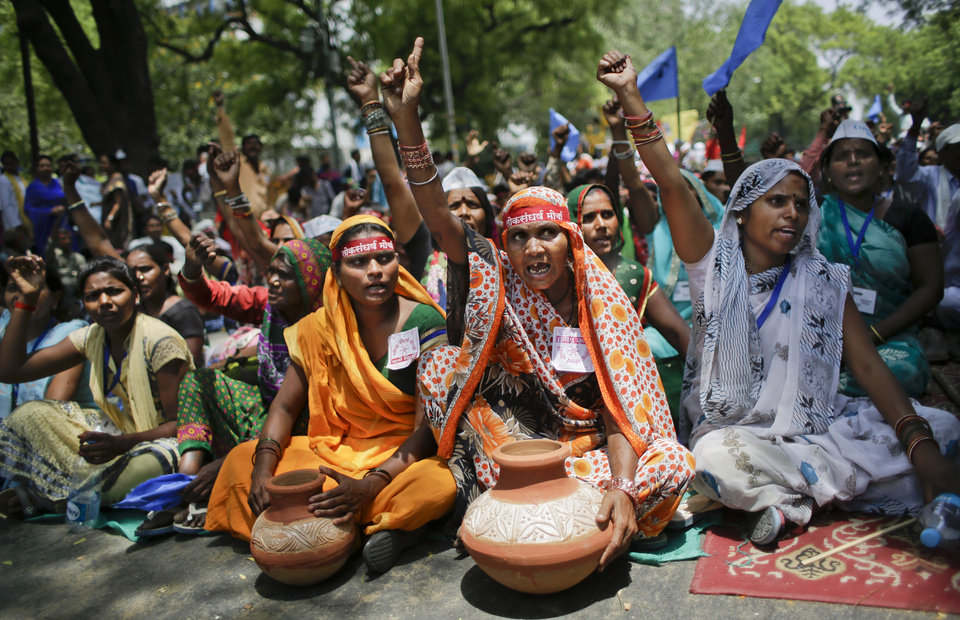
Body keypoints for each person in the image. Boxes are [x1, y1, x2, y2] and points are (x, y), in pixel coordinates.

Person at [594, 50, 960, 547]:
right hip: (735, 431)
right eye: (776, 201)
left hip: (814, 426)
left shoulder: (824, 280)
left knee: (942, 429)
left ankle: (791, 500)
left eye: (800, 204)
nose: (792, 213)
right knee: (713, 463)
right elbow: (673, 185)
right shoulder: (712, 267)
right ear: (742, 212)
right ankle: (820, 488)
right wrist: (631, 96)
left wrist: (918, 444)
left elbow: (869, 367)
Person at [383, 38, 694, 571]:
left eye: (548, 233)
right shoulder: (497, 277)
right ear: (503, 246)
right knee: (439, 367)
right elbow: (437, 216)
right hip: (515, 449)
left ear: (570, 242)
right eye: (519, 236)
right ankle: (565, 521)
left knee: (670, 463)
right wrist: (406, 120)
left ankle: (571, 518)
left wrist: (620, 484)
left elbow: (621, 414)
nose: (533, 248)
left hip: (589, 450)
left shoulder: (602, 303)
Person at [205, 215, 455, 573]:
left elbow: (428, 428)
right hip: (334, 451)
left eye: (385, 258)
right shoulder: (317, 328)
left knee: (439, 483)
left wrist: (370, 485)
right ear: (335, 272)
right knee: (239, 463)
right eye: (358, 262)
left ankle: (348, 529)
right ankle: (369, 529)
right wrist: (262, 469)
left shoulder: (425, 322)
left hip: (399, 461)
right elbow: (284, 407)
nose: (375, 271)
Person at [159, 229, 330, 534]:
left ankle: (226, 472)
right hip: (271, 408)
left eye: (285, 275)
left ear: (310, 282)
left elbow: (302, 407)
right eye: (271, 273)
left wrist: (226, 461)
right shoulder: (268, 304)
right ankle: (185, 483)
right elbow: (211, 296)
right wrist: (193, 264)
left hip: (311, 423)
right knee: (198, 381)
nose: (273, 281)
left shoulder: (329, 323)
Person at [0, 255, 193, 516]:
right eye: (93, 296)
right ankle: (87, 488)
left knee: (154, 461)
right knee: (30, 413)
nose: (105, 302)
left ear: (135, 296)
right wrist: (27, 300)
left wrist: (122, 444)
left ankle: (56, 498)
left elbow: (182, 424)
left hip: (166, 443)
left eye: (114, 292)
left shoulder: (161, 342)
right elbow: (11, 371)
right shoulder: (91, 336)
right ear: (84, 304)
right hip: (121, 436)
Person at [817, 120, 941, 397]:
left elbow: (931, 288)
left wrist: (872, 336)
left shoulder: (908, 216)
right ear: (826, 170)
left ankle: (830, 389)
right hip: (821, 337)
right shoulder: (813, 214)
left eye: (862, 154)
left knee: (901, 373)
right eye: (841, 157)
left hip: (889, 337)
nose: (853, 162)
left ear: (882, 165)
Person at [896, 106, 960, 337]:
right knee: (944, 302)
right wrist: (914, 129)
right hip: (936, 270)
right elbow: (905, 171)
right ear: (941, 154)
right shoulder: (930, 176)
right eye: (955, 149)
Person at [0, 265, 93, 419]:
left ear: (55, 297)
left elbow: (50, 414)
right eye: (12, 288)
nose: (21, 294)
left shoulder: (71, 334)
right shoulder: (3, 325)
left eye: (33, 288)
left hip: (50, 430)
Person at [126, 244, 205, 367]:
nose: (138, 277)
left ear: (166, 269)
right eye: (132, 271)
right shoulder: (134, 311)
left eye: (146, 269)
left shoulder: (183, 310)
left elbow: (191, 362)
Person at [23, 155, 65, 255]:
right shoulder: (32, 187)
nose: (45, 168)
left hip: (61, 223)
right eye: (42, 166)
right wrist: (48, 212)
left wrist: (63, 208)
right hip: (43, 227)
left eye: (48, 165)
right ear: (37, 168)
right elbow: (28, 209)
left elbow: (67, 201)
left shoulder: (59, 183)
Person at [99, 151, 134, 250]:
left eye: (104, 163)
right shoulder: (108, 180)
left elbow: (118, 202)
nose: (101, 165)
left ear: (113, 164)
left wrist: (110, 218)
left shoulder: (117, 180)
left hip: (117, 221)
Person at [0, 151, 29, 234]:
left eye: (12, 163)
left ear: (17, 162)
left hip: (25, 218)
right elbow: (6, 205)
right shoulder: (3, 180)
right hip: (14, 224)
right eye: (7, 164)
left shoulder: (21, 178)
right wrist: (17, 224)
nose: (10, 166)